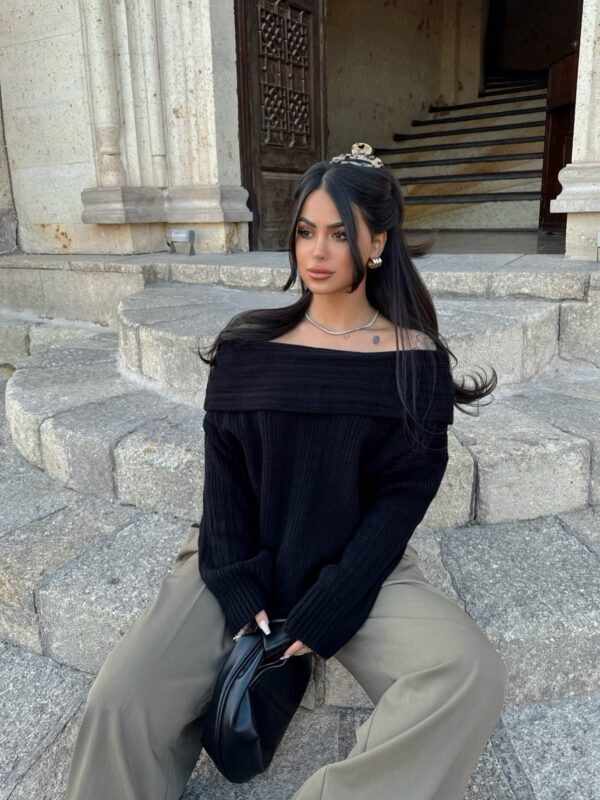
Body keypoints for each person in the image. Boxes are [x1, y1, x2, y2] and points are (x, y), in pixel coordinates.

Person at [64, 142, 507, 800]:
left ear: (378, 242)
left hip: (358, 567)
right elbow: (224, 491)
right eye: (305, 231)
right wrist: (239, 592)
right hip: (234, 556)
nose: (316, 251)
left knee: (468, 672)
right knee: (119, 702)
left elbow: (400, 503)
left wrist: (330, 605)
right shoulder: (248, 346)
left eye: (339, 234)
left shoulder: (415, 362)